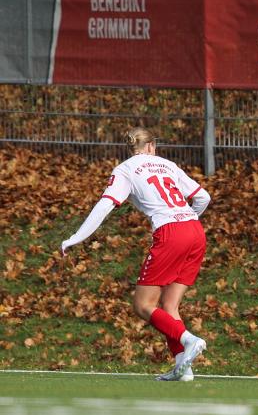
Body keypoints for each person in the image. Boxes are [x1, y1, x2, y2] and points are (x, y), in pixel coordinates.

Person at [61, 127, 210, 382]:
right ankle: (182, 369)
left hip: (171, 233)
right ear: (152, 145)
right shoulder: (168, 164)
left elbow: (105, 205)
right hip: (195, 231)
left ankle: (189, 340)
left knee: (143, 305)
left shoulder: (125, 169)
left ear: (132, 148)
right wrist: (189, 219)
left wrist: (76, 237)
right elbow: (203, 197)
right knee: (169, 305)